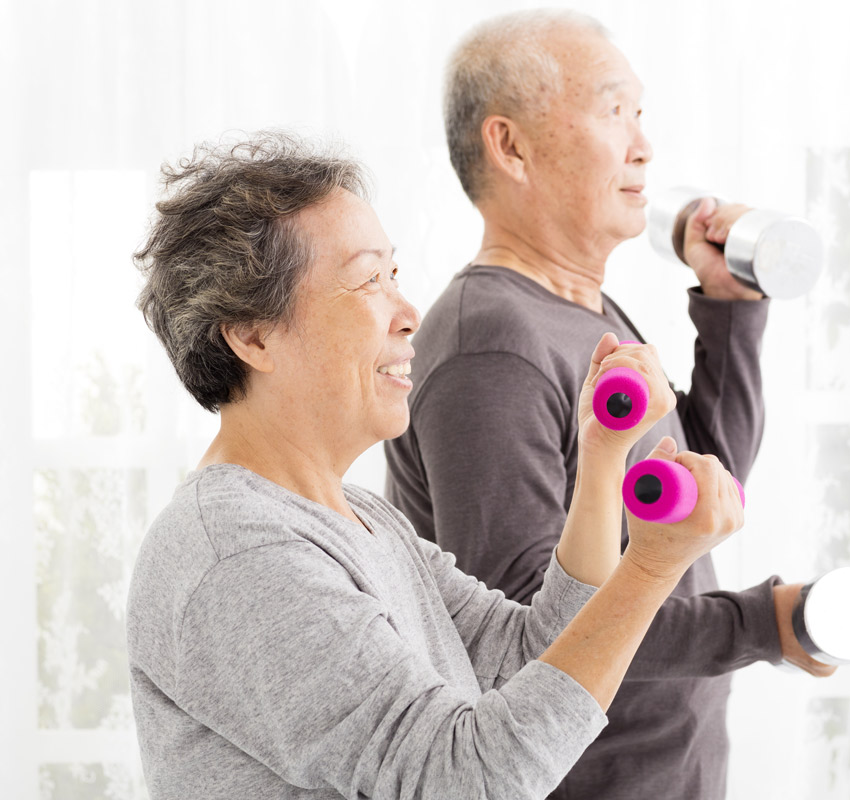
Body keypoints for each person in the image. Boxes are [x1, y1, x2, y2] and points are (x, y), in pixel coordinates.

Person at [125, 131, 747, 800]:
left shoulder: (361, 519)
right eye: (368, 280)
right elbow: (467, 780)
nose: (408, 313)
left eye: (393, 275)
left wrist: (600, 460)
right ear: (252, 336)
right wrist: (651, 567)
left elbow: (525, 657)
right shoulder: (239, 558)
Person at [384, 10, 835, 800]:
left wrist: (728, 302)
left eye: (640, 114)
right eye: (611, 109)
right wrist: (760, 625)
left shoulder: (578, 311)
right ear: (511, 146)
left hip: (668, 771)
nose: (642, 146)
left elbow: (704, 484)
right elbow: (528, 632)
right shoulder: (489, 343)